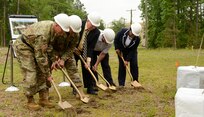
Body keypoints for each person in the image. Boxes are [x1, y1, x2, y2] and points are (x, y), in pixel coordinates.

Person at [13, 13, 70, 111]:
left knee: (42, 72)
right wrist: (48, 73)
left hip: (34, 46)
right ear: (57, 25)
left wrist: (53, 60)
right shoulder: (43, 34)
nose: (63, 33)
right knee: (31, 71)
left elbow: (49, 48)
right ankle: (30, 100)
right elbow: (40, 57)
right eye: (63, 30)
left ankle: (43, 99)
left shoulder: (53, 30)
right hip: (24, 46)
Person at [50, 15, 87, 99]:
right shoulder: (57, 30)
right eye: (72, 30)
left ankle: (79, 91)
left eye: (75, 31)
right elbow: (50, 45)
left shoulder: (76, 35)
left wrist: (63, 59)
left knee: (73, 69)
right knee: (47, 70)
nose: (73, 32)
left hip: (66, 53)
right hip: (53, 52)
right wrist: (54, 59)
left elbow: (71, 48)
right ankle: (44, 94)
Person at [74, 12, 101, 95]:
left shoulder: (96, 32)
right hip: (74, 49)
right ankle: (75, 87)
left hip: (84, 51)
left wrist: (88, 61)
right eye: (92, 25)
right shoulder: (78, 24)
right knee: (73, 69)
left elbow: (91, 47)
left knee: (87, 68)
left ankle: (90, 87)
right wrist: (73, 47)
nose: (93, 27)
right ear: (88, 21)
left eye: (95, 26)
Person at [114, 23, 142, 87]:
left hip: (132, 52)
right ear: (130, 30)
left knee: (134, 65)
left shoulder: (137, 39)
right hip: (121, 51)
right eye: (133, 34)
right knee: (122, 66)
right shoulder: (122, 31)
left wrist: (127, 60)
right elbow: (116, 40)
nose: (133, 36)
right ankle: (121, 84)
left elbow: (133, 50)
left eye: (135, 35)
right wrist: (117, 48)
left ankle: (135, 81)